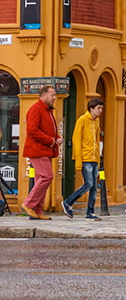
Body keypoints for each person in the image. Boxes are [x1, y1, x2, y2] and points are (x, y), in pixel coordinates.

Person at [21, 84, 62, 220]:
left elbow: (47, 129)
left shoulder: (47, 110)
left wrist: (56, 138)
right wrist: (51, 140)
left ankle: (37, 211)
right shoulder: (36, 109)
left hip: (45, 149)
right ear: (43, 95)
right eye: (52, 95)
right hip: (37, 149)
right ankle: (28, 204)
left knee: (41, 178)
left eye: (54, 95)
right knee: (47, 176)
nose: (54, 98)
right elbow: (32, 130)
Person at [61, 97, 104, 220]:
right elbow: (76, 140)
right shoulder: (82, 120)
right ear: (91, 108)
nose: (100, 110)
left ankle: (90, 212)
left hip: (94, 157)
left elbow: (97, 139)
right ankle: (68, 202)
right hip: (85, 157)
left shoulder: (96, 121)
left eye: (101, 108)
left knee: (94, 187)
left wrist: (99, 156)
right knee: (88, 184)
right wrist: (78, 161)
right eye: (98, 108)